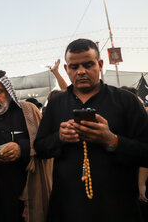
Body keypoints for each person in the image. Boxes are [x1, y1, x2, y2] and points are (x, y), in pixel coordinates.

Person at [34, 38, 148, 222]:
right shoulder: (56, 104)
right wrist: (60, 137)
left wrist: (112, 141)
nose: (81, 72)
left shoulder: (126, 101)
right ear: (66, 69)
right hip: (67, 207)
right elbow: (40, 148)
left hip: (117, 208)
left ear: (100, 64)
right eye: (74, 66)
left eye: (88, 64)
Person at [0, 70, 53, 222]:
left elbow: (44, 145)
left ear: (7, 90)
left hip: (24, 194)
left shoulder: (28, 112)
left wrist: (21, 149)